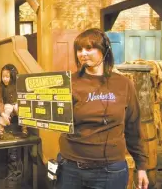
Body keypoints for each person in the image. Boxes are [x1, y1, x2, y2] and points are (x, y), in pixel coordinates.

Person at [56, 28, 149, 189]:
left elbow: (133, 127)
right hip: (71, 168)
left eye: (89, 48)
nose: (82, 53)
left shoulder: (123, 84)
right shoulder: (68, 82)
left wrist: (141, 166)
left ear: (104, 50)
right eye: (79, 49)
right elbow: (53, 116)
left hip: (110, 171)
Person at [0, 64, 28, 139]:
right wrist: (3, 114)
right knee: (7, 109)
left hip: (16, 103)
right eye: (3, 76)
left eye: (7, 77)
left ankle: (25, 129)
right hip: (8, 104)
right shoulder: (0, 85)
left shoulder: (18, 83)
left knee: (19, 108)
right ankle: (0, 130)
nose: (4, 79)